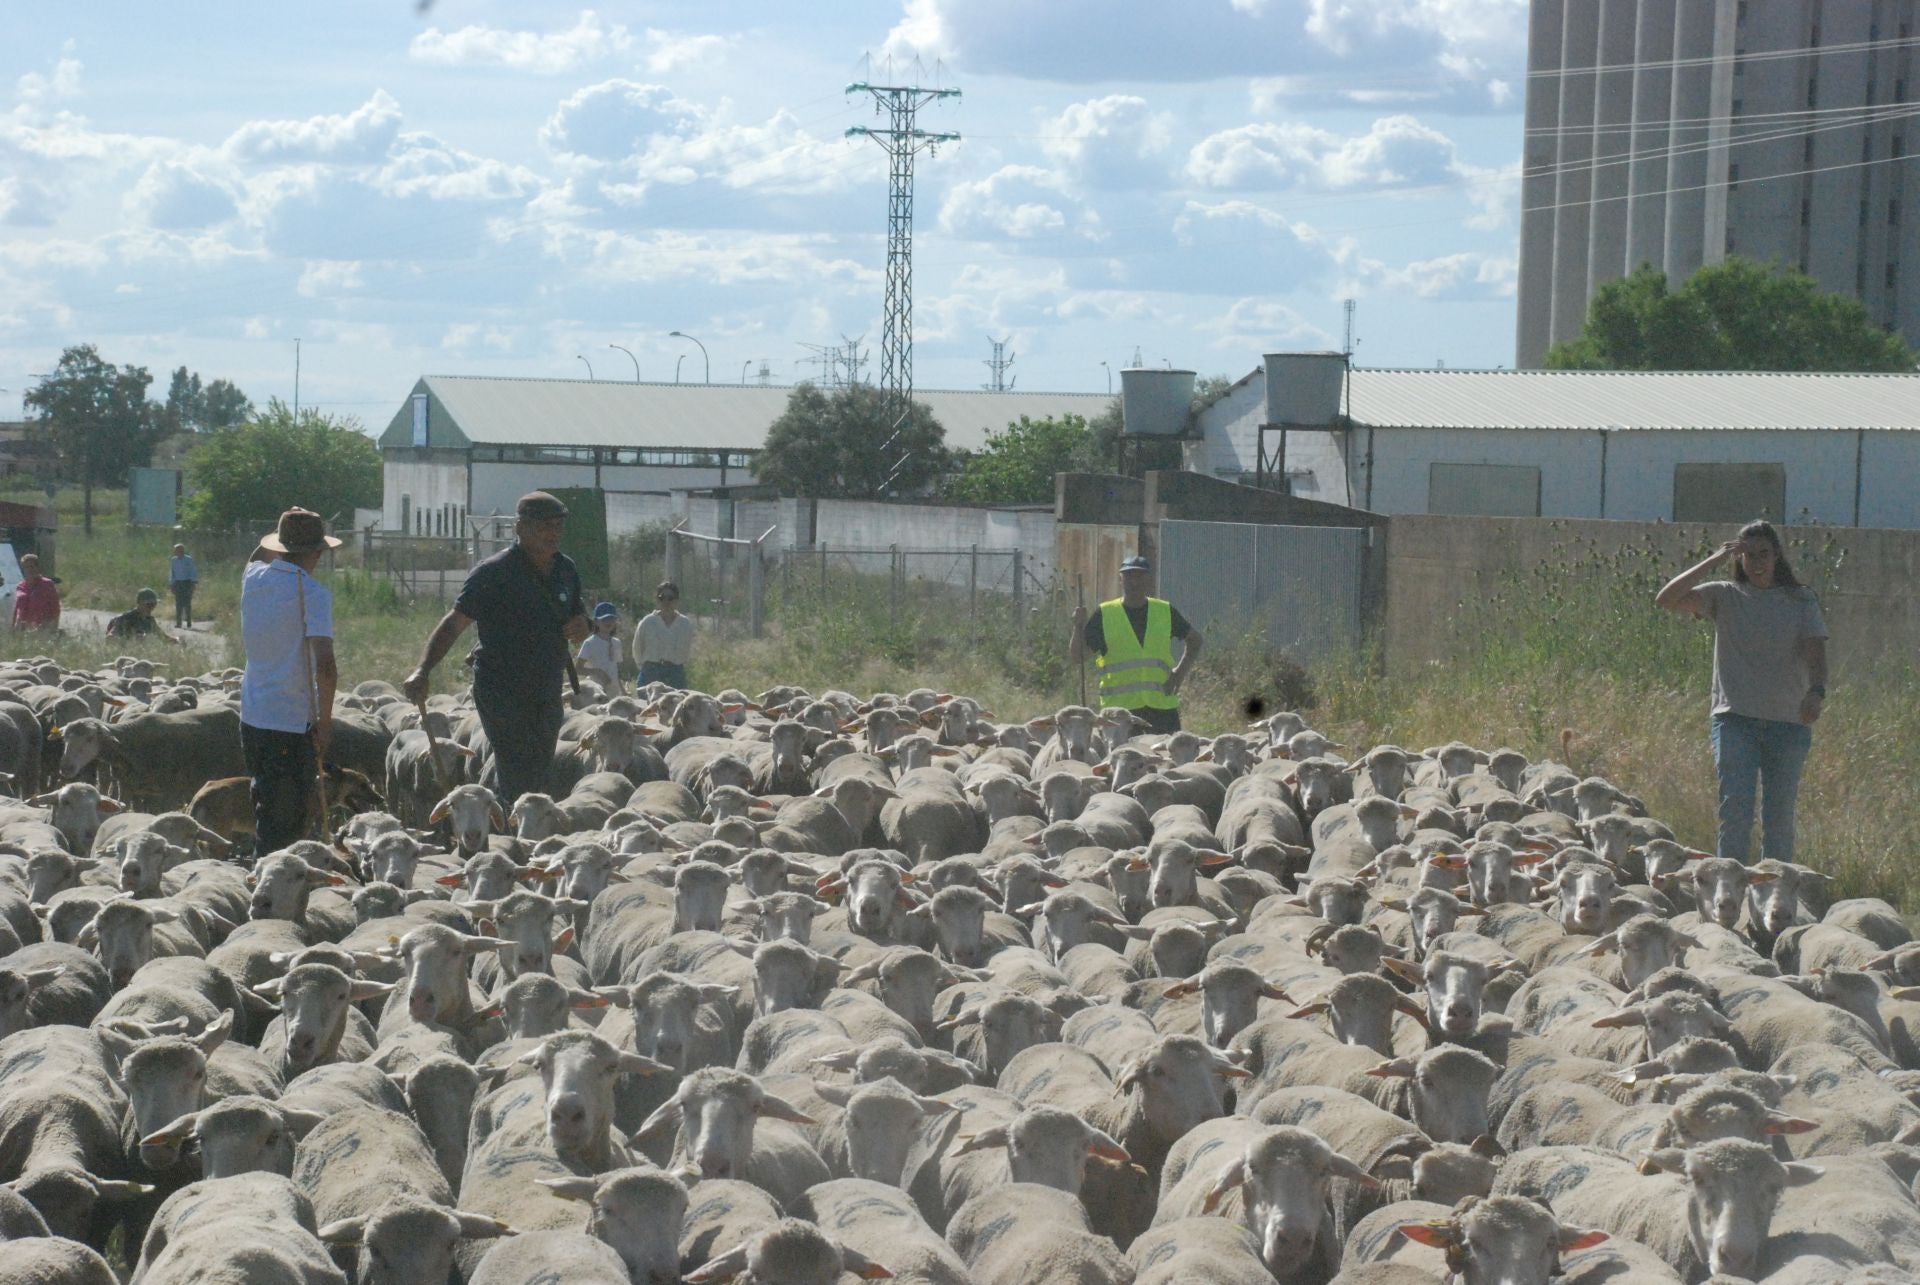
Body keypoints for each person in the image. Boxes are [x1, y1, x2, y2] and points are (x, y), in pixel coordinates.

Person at [1655, 519, 1828, 863]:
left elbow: (1816, 652)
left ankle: (1773, 903)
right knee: (1735, 816)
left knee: (1778, 820)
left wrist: (1817, 692)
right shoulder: (1724, 595)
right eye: (1748, 555)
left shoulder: (1800, 600)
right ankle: (1727, 901)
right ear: (1739, 559)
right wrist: (1714, 560)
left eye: (1763, 554)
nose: (1757, 562)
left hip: (1787, 724)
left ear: (1777, 555)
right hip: (1735, 721)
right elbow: (1666, 599)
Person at [403, 491, 587, 805]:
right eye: (544, 527)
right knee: (516, 769)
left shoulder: (565, 570)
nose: (553, 534)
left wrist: (586, 625)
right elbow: (454, 623)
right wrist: (423, 669)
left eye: (557, 526)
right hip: (502, 689)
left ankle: (506, 827)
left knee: (539, 770)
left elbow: (578, 616)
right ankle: (508, 840)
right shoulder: (493, 573)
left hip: (547, 686)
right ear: (520, 528)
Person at [240, 508, 340, 854]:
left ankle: (264, 869)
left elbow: (256, 557)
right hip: (291, 719)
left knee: (264, 800)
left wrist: (281, 534)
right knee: (287, 818)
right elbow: (325, 666)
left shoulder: (252, 578)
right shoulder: (312, 594)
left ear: (279, 547)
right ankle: (270, 885)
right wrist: (325, 723)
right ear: (317, 553)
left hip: (252, 715)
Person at [1070, 554, 1204, 734]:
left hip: (1161, 708)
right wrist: (1077, 628)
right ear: (1120, 580)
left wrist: (1179, 674)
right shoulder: (1105, 613)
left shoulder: (1164, 610)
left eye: (1139, 576)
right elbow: (1077, 657)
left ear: (1148, 579)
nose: (1134, 582)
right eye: (1128, 576)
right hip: (1119, 714)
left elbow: (1195, 640)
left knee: (1166, 761)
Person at [633, 580, 693, 690]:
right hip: (651, 672)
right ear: (657, 599)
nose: (666, 601)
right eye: (662, 598)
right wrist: (646, 668)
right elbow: (637, 649)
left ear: (676, 600)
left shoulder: (685, 624)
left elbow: (687, 651)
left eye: (670, 598)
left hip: (675, 673)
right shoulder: (647, 622)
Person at [106, 588, 183, 645]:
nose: (152, 607)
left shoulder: (149, 621)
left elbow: (164, 638)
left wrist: (177, 640)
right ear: (139, 604)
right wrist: (131, 640)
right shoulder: (126, 618)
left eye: (154, 604)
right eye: (148, 605)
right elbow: (110, 637)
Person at [578, 601, 624, 693]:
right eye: (604, 619)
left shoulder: (616, 643)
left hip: (613, 691)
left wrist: (623, 691)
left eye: (611, 619)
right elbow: (578, 669)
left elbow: (616, 670)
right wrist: (597, 672)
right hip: (596, 692)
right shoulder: (590, 643)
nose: (608, 622)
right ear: (596, 622)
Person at [10, 553, 59, 631]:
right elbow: (17, 609)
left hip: (42, 627)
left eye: (32, 566)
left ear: (37, 567)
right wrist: (13, 627)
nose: (29, 569)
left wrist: (54, 628)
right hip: (22, 628)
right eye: (26, 567)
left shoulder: (47, 584)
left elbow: (55, 608)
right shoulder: (20, 587)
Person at [170, 542, 199, 628]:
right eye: (175, 551)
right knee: (178, 603)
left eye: (177, 550)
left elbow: (192, 571)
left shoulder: (188, 559)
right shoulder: (173, 560)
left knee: (187, 603)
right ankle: (179, 622)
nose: (175, 552)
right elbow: (172, 572)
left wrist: (193, 583)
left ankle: (188, 622)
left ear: (181, 550)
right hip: (178, 583)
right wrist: (172, 584)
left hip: (187, 582)